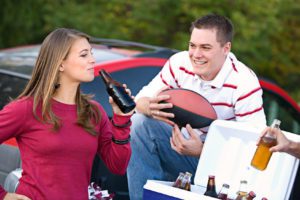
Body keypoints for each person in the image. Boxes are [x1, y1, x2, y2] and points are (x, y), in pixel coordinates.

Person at [127, 13, 267, 200]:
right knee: (139, 123)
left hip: (220, 169)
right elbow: (139, 101)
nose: (196, 54)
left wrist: (203, 150)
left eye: (205, 48)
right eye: (192, 46)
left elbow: (254, 149)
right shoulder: (179, 63)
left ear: (226, 48)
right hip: (179, 152)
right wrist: (150, 107)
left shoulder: (244, 83)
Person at [0, 28, 134, 200]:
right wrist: (4, 196)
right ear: (60, 63)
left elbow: (118, 166)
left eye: (91, 54)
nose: (93, 60)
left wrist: (121, 119)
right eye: (84, 55)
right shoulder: (27, 109)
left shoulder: (93, 111)